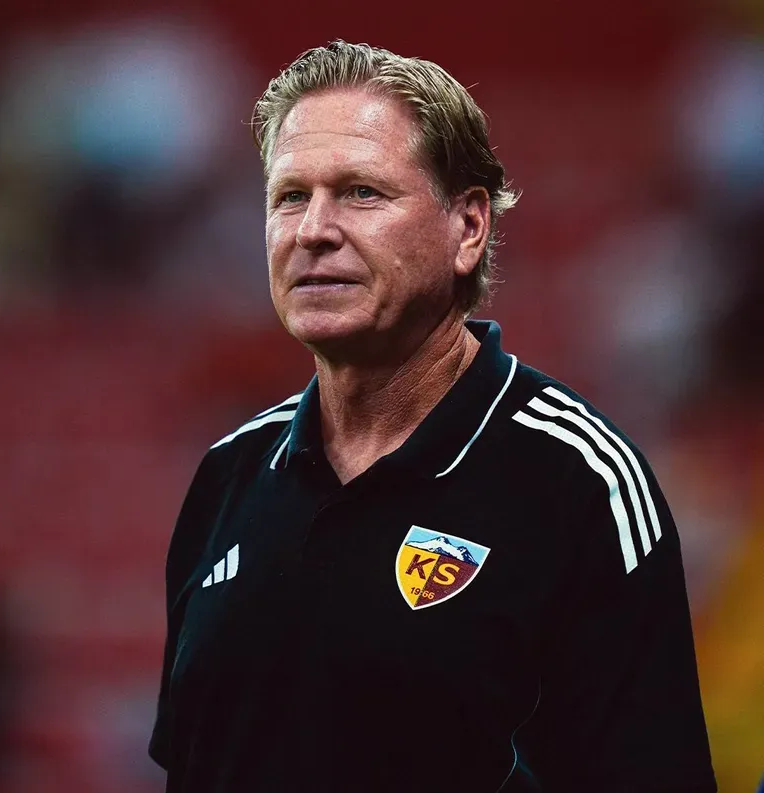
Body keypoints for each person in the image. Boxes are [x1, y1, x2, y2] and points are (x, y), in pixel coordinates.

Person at [149, 41, 716, 792]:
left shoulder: (580, 481)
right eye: (289, 196)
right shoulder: (229, 475)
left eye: (361, 193)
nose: (313, 229)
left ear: (468, 227)